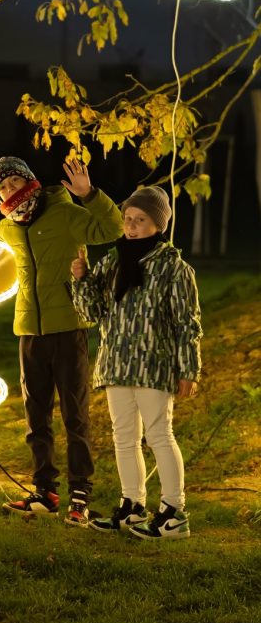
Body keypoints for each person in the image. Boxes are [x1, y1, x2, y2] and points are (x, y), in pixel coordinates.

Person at [0, 155, 123, 525]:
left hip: (68, 327)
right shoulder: (6, 229)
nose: (9, 190)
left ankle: (80, 494)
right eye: (1, 187)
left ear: (29, 180)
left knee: (75, 416)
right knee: (36, 418)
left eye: (14, 182)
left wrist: (89, 194)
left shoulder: (65, 214)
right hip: (28, 331)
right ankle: (44, 491)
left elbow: (112, 228)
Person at [71, 185, 202, 539]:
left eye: (140, 220)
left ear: (157, 225)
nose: (131, 226)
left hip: (154, 365)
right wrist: (82, 279)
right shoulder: (114, 262)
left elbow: (186, 323)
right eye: (128, 219)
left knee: (160, 434)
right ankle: (132, 506)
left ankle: (174, 511)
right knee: (124, 438)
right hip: (117, 363)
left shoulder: (173, 269)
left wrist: (188, 369)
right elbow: (92, 312)